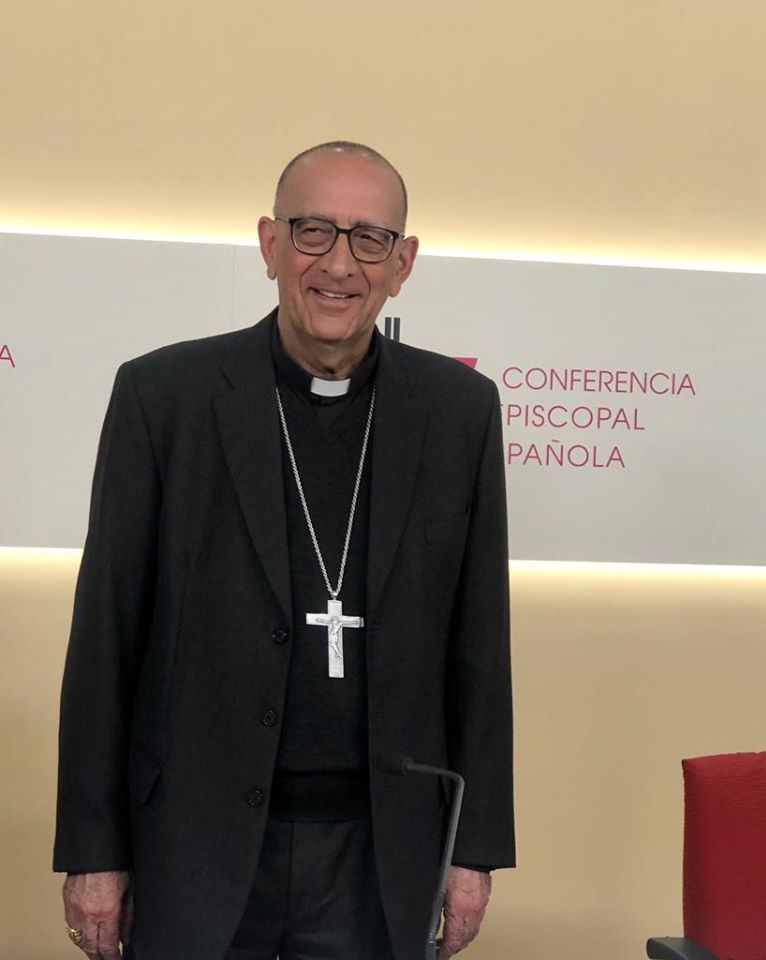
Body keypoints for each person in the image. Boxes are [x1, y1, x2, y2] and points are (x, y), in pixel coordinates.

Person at [55, 141, 514, 960]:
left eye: (368, 238)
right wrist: (94, 852)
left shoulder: (459, 411)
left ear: (402, 263)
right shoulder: (164, 397)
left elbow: (479, 646)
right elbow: (105, 637)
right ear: (270, 244)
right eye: (312, 231)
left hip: (383, 854)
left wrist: (473, 848)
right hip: (193, 843)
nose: (338, 263)